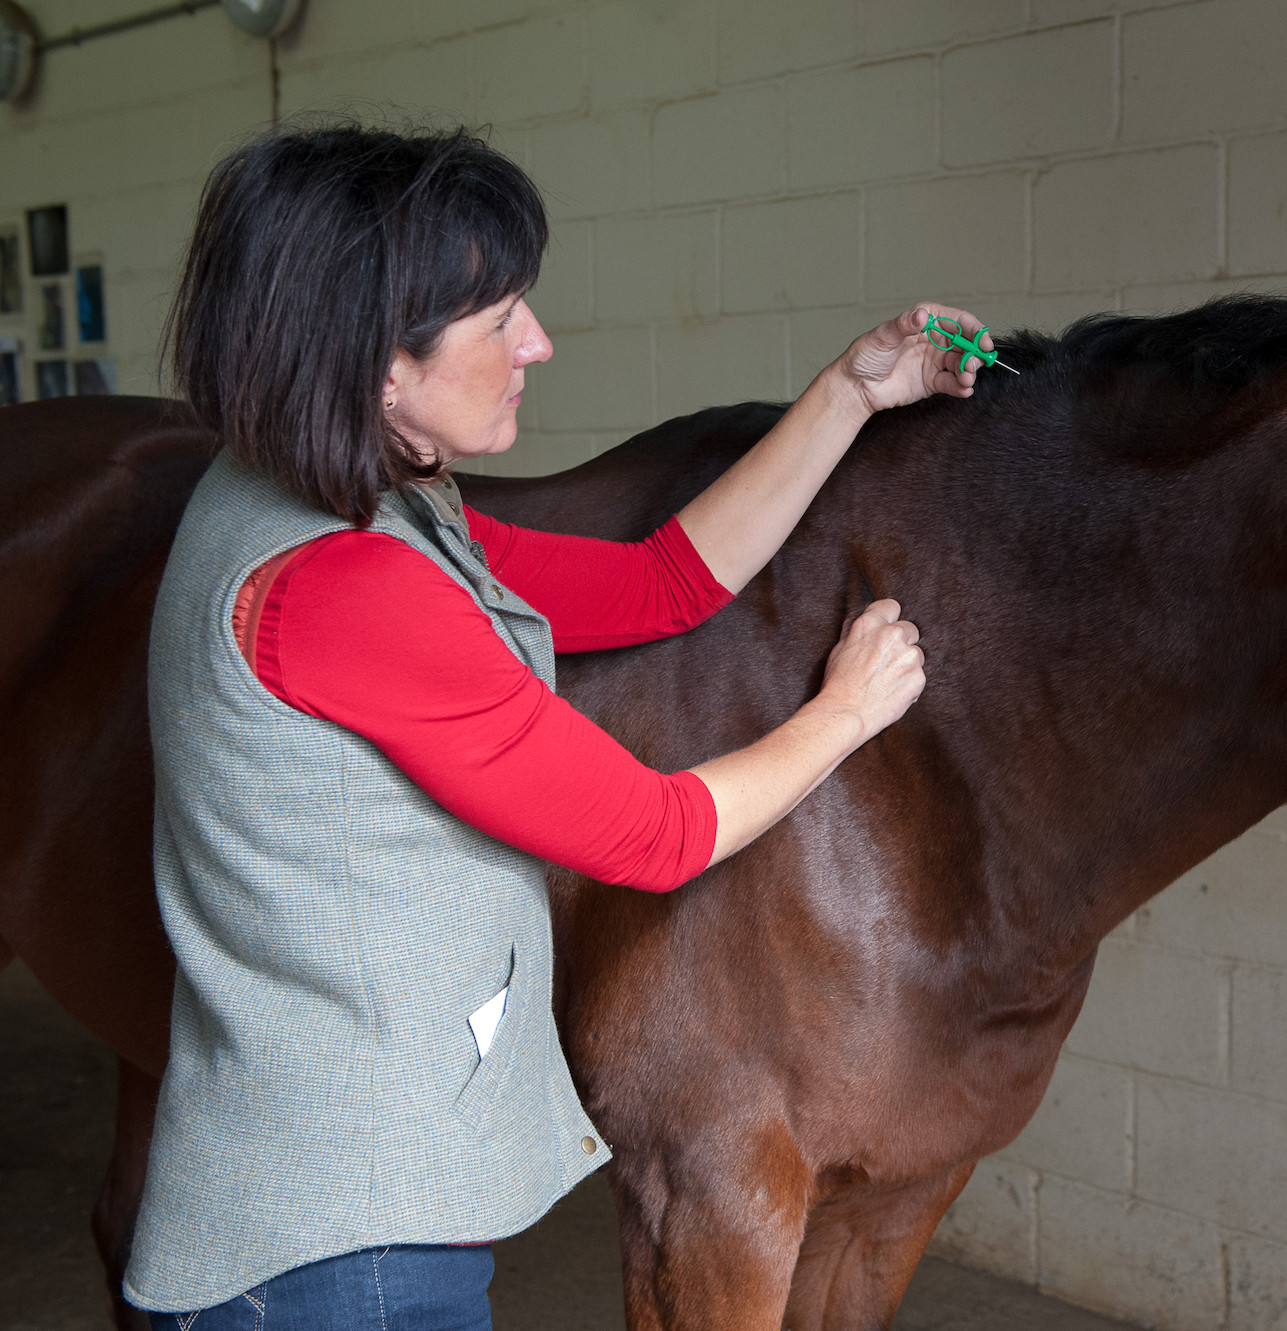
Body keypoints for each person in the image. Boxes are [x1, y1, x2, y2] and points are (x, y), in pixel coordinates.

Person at [126, 123, 998, 1329]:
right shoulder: (341, 585)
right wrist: (845, 713)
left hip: (315, 1214)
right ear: (375, 363)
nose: (536, 341)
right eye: (498, 321)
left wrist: (851, 389)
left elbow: (658, 583)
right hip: (342, 1246)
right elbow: (651, 832)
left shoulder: (337, 496)